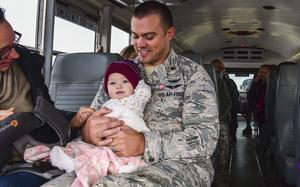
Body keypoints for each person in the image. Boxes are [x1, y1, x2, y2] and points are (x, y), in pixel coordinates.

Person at [43, 1, 219, 187]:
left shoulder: (192, 75)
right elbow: (94, 114)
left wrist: (145, 143)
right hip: (106, 158)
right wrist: (87, 131)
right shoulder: (120, 73)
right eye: (135, 36)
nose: (139, 44)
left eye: (149, 37)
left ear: (169, 34)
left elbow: (205, 138)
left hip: (175, 163)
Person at [25, 60, 151, 187]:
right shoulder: (107, 103)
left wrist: (138, 77)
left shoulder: (135, 99)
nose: (118, 86)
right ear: (106, 89)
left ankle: (84, 173)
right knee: (79, 146)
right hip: (99, 139)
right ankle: (60, 155)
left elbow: (144, 90)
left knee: (104, 155)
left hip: (123, 133)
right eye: (112, 83)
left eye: (125, 81)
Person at [0, 7, 74, 187]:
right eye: (3, 51)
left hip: (30, 161)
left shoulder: (26, 66)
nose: (15, 54)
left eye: (14, 44)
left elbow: (47, 112)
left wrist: (75, 121)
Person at [211, 59, 240, 143]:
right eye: (217, 69)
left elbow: (232, 99)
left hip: (225, 115)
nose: (221, 71)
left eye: (221, 69)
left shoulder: (229, 82)